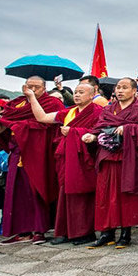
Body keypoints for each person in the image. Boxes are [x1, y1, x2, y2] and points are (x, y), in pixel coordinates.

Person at [0, 76, 63, 244]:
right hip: (17, 152)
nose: (32, 90)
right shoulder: (17, 104)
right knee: (16, 192)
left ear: (44, 88)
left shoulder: (52, 103)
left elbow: (46, 125)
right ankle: (23, 231)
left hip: (39, 153)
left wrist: (20, 124)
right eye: (29, 86)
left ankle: (39, 230)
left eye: (36, 87)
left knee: (36, 190)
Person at [81, 78, 138, 248]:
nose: (120, 91)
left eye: (124, 88)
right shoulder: (109, 109)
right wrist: (92, 136)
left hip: (127, 158)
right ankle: (106, 233)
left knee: (125, 196)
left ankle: (125, 233)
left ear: (134, 90)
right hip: (107, 157)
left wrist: (129, 128)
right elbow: (99, 127)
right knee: (105, 196)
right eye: (118, 88)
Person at [24, 82, 102, 245]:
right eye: (76, 92)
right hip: (67, 159)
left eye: (81, 92)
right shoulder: (69, 112)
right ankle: (64, 231)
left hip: (85, 160)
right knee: (64, 194)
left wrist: (76, 132)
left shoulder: (98, 111)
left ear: (92, 94)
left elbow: (100, 132)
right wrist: (32, 97)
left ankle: (84, 233)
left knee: (83, 195)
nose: (77, 95)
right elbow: (42, 117)